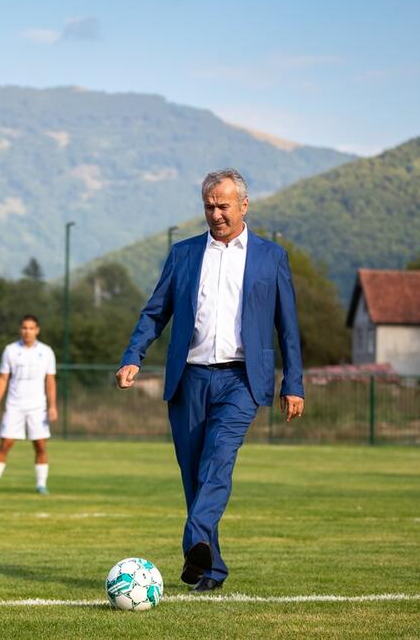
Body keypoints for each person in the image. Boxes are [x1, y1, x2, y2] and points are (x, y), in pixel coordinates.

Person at [116, 168, 304, 594]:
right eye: (208, 206)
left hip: (241, 380)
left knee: (218, 460)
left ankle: (194, 542)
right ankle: (210, 568)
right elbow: (155, 312)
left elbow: (288, 326)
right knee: (194, 477)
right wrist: (133, 356)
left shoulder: (270, 257)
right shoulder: (183, 254)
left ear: (243, 205)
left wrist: (294, 382)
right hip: (189, 380)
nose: (216, 214)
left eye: (223, 205)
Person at [0, 315, 58, 494]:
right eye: (24, 328)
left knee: (40, 445)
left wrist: (52, 406)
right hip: (14, 405)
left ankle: (41, 484)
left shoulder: (46, 351)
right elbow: (3, 378)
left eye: (31, 328)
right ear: (20, 330)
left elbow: (50, 380)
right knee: (5, 444)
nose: (27, 331)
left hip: (37, 407)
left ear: (37, 330)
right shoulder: (10, 350)